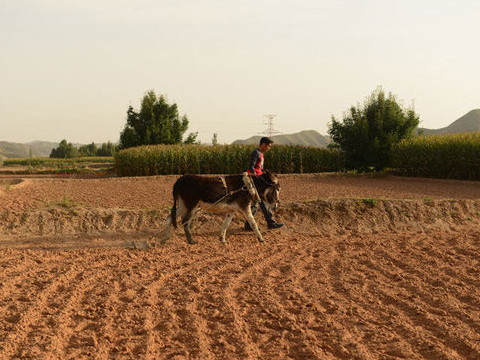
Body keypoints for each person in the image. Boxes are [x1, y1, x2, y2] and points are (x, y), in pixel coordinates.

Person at [244, 137, 283, 230]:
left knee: (258, 203)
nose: (269, 148)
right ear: (263, 144)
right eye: (268, 146)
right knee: (259, 202)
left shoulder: (260, 154)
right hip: (255, 182)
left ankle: (249, 225)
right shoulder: (256, 153)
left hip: (258, 182)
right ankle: (270, 223)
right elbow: (251, 167)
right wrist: (257, 176)